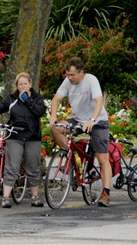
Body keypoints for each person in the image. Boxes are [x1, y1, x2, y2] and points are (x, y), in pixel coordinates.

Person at [48, 57, 112, 207]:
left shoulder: (91, 80)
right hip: (78, 120)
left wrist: (92, 120)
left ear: (81, 73)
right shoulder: (67, 82)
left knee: (103, 158)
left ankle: (106, 193)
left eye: (72, 75)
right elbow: (56, 99)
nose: (69, 78)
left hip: (98, 121)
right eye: (67, 75)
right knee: (56, 128)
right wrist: (53, 116)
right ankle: (70, 155)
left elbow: (99, 101)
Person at [0, 72, 46, 208]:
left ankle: (35, 196)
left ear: (30, 84)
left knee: (33, 167)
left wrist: (28, 101)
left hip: (32, 137)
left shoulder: (37, 98)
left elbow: (40, 111)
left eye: (25, 84)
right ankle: (5, 197)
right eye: (20, 84)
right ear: (16, 86)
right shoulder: (12, 98)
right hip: (15, 136)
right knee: (12, 166)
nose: (23, 86)